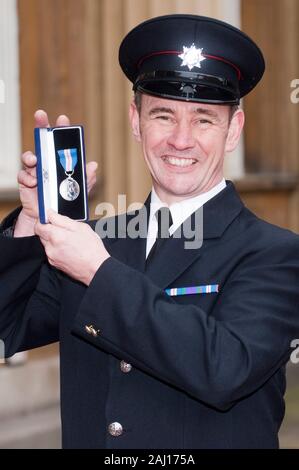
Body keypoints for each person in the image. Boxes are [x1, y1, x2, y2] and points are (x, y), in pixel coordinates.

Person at [1, 14, 299, 449]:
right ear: (136, 121)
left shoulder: (276, 253)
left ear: (233, 130)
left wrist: (98, 273)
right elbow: (9, 326)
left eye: (203, 119)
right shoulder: (92, 241)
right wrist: (31, 223)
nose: (180, 140)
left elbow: (224, 370)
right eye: (163, 115)